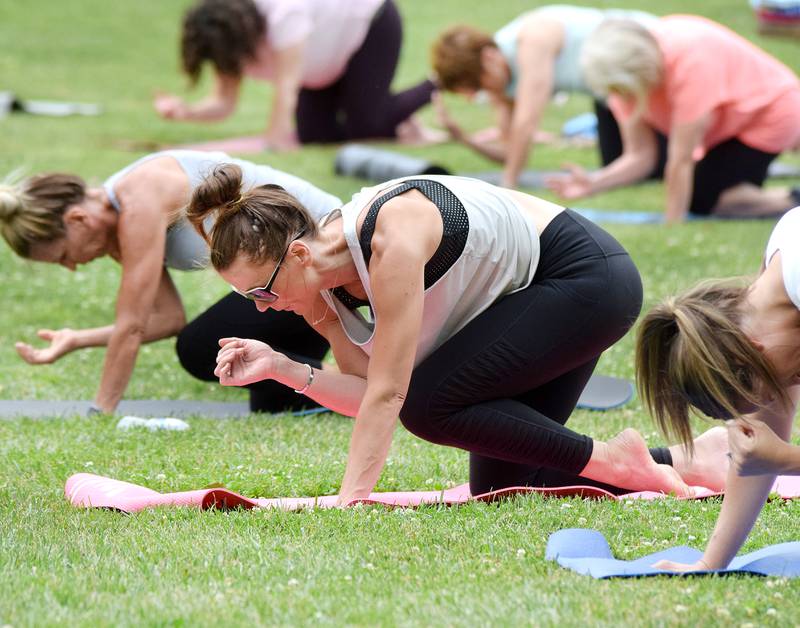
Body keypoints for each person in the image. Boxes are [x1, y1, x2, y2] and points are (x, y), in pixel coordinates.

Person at [185, 164, 731, 504]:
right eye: (252, 299)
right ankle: (686, 459)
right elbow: (367, 395)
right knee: (508, 488)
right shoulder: (319, 288)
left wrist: (351, 500)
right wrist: (284, 368)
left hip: (586, 277)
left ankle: (615, 461)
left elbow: (392, 395)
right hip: (532, 295)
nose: (263, 309)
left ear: (299, 253)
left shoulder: (389, 241)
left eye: (263, 291)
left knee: (429, 403)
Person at [0, 150, 341, 414]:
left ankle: (351, 384)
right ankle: (336, 385)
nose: (72, 267)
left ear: (78, 219)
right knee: (272, 403)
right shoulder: (119, 219)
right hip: (283, 276)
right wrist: (77, 339)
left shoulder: (139, 200)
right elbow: (167, 318)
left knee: (204, 347)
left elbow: (131, 326)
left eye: (63, 256)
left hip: (320, 258)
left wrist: (100, 410)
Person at [636, 205, 800, 571]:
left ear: (752, 353)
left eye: (777, 386)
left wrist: (787, 460)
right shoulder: (770, 288)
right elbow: (760, 448)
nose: (792, 386)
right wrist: (711, 563)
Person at [548, 15, 800, 223]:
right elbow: (641, 156)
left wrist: (672, 222)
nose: (620, 98)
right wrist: (593, 182)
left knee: (705, 198)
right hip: (731, 126)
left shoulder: (689, 62)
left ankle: (792, 200)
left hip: (772, 112)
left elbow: (681, 160)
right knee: (704, 196)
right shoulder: (623, 84)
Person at [154, 0, 437, 149]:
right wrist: (186, 112)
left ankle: (438, 81)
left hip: (369, 26)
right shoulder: (228, 46)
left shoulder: (283, 13)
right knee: (315, 137)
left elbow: (287, 86)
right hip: (323, 61)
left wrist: (275, 140)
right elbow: (223, 103)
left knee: (366, 126)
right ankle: (391, 115)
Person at [429, 5, 656, 188]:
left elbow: (526, 122)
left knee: (651, 164)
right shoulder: (499, 80)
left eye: (478, 84)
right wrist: (464, 138)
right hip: (612, 97)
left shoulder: (532, 40)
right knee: (622, 168)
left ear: (489, 57)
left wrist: (508, 188)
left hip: (645, 59)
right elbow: (512, 154)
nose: (482, 93)